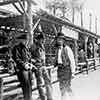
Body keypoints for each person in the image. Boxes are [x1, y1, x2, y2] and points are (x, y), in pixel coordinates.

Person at [30, 31, 53, 100]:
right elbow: (29, 57)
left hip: (43, 66)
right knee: (40, 83)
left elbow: (43, 56)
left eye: (44, 39)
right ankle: (43, 97)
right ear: (39, 39)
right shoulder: (34, 46)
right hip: (38, 67)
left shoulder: (42, 46)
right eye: (42, 39)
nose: (43, 41)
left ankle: (49, 97)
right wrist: (34, 61)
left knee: (48, 81)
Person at [54, 32, 76, 100]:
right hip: (60, 70)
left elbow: (72, 61)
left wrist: (73, 72)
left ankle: (73, 98)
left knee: (67, 87)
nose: (59, 41)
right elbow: (57, 60)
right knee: (61, 87)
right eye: (58, 39)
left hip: (67, 70)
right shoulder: (57, 50)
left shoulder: (67, 49)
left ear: (63, 41)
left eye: (60, 39)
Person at [12, 34, 33, 100]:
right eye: (24, 40)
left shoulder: (26, 48)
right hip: (22, 70)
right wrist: (24, 64)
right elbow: (16, 58)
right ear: (21, 40)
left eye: (26, 40)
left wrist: (30, 64)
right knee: (26, 87)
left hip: (28, 69)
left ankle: (29, 98)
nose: (26, 41)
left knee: (30, 86)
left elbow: (29, 58)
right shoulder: (16, 48)